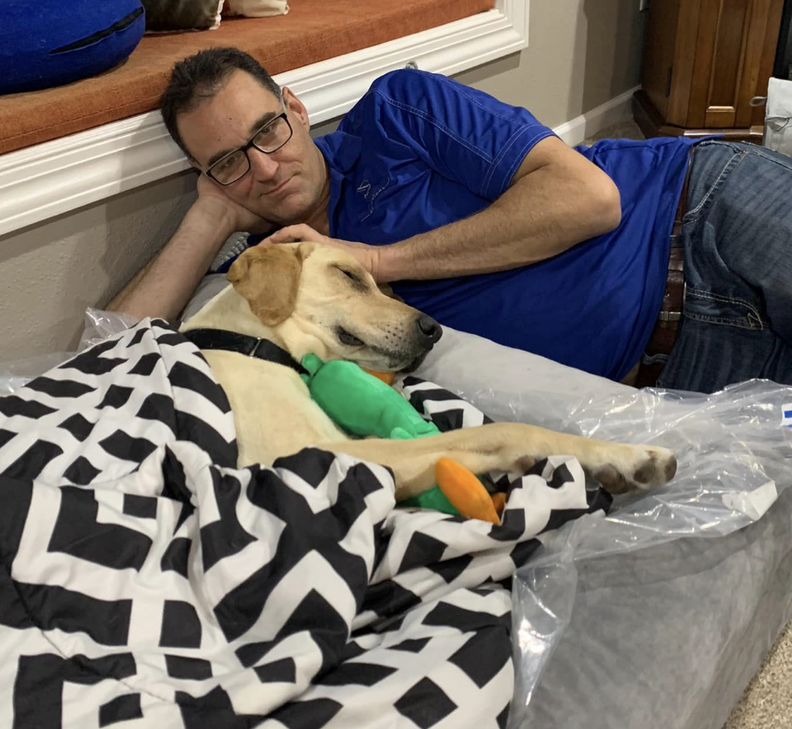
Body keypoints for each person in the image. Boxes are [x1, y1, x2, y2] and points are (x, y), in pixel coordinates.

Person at [109, 47, 792, 394]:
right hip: (681, 369)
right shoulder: (272, 269)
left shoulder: (396, 111)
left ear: (294, 106)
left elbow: (590, 200)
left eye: (268, 131)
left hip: (699, 213)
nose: (263, 167)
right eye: (228, 160)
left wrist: (376, 261)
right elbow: (103, 362)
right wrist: (208, 216)